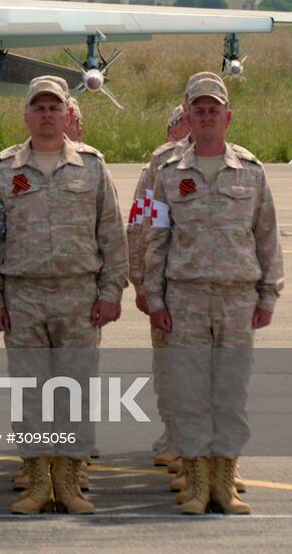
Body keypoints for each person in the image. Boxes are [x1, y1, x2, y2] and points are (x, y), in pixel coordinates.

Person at [0, 76, 127, 515]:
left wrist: (111, 290)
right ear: (26, 115)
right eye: (39, 107)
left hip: (78, 296)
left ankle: (68, 483)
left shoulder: (93, 166)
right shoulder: (5, 170)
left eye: (54, 107)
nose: (47, 114)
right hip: (23, 297)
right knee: (30, 392)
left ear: (68, 115)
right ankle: (38, 483)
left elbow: (112, 235)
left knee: (74, 392)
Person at [146, 73, 283, 515]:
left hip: (237, 298)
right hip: (185, 298)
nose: (205, 118)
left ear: (228, 117)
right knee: (190, 393)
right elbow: (155, 239)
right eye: (197, 110)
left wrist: (268, 297)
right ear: (186, 117)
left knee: (230, 393)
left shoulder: (252, 171)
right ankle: (197, 485)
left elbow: (267, 238)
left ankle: (225, 485)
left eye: (213, 110)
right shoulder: (167, 173)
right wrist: (155, 297)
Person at [127, 103, 190, 467]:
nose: (188, 126)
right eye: (181, 122)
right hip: (165, 285)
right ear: (170, 130)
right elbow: (139, 224)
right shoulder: (157, 168)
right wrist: (140, 282)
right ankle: (173, 431)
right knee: (169, 364)